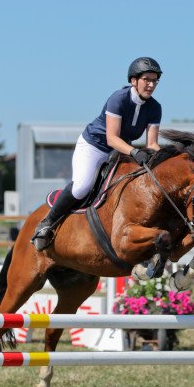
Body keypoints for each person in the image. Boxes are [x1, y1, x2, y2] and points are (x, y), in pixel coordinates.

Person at [32, 57, 163, 251]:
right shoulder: (118, 99)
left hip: (120, 152)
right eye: (147, 79)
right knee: (82, 188)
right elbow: (111, 138)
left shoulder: (155, 107)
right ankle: (47, 223)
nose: (151, 85)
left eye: (155, 81)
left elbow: (152, 144)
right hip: (94, 146)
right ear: (134, 80)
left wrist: (169, 158)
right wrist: (135, 151)